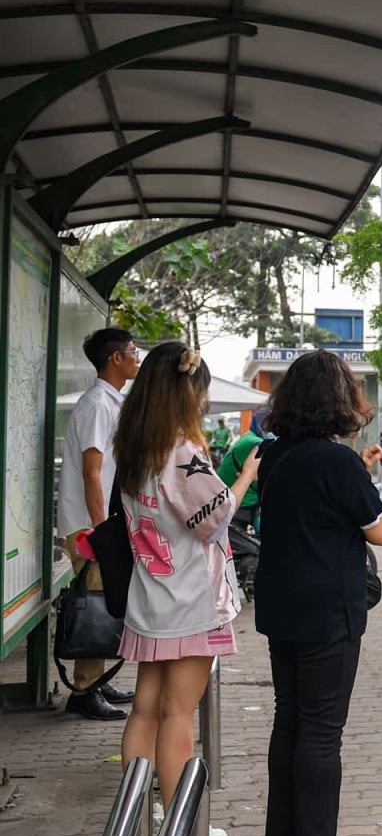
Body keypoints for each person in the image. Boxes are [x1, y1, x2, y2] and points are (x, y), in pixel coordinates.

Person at [253, 350, 382, 836]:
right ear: (339, 400)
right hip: (328, 610)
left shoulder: (273, 456)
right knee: (321, 732)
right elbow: (381, 532)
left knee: (289, 722)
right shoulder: (336, 461)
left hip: (280, 605)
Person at [114, 343, 257, 809]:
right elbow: (212, 517)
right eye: (202, 390)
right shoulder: (182, 450)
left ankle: (136, 816)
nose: (205, 400)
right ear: (186, 392)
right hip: (193, 600)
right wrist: (246, 476)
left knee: (144, 708)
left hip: (150, 596)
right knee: (179, 714)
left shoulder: (134, 448)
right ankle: (181, 828)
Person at [56, 328, 141, 720]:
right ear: (115, 359)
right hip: (89, 525)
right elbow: (92, 471)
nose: (136, 357)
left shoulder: (112, 401)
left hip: (99, 521)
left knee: (105, 601)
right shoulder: (97, 404)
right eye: (131, 351)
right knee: (93, 602)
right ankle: (84, 692)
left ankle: (97, 679)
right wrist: (100, 528)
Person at [217, 405, 268, 529]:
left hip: (228, 495)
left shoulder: (248, 436)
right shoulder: (256, 443)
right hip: (242, 501)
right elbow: (262, 477)